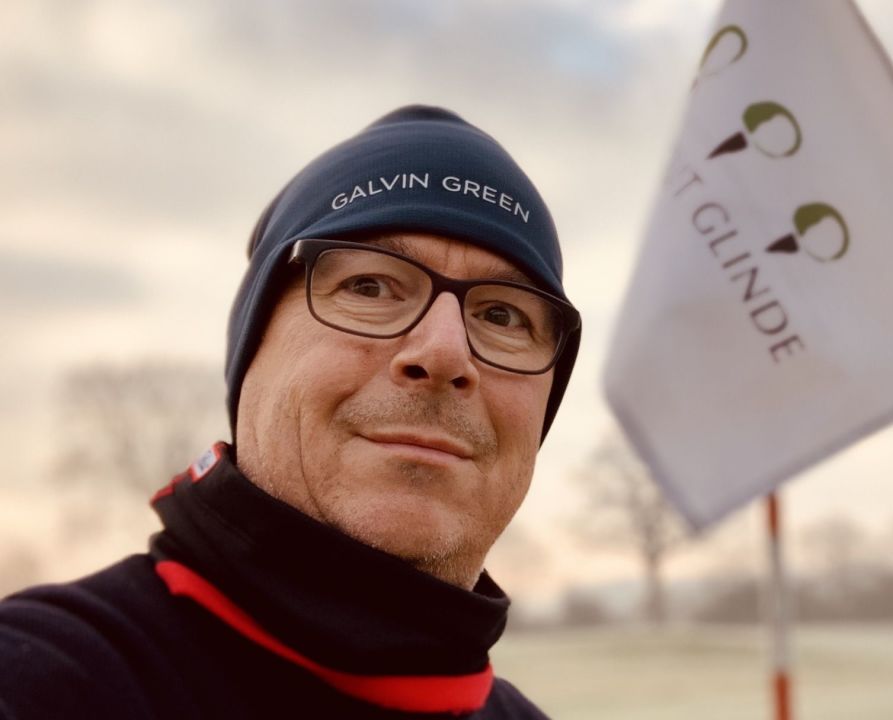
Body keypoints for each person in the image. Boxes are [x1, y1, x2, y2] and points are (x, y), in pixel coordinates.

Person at [0, 106, 580, 719]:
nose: (443, 353)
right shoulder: (42, 682)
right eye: (368, 286)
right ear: (254, 351)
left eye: (502, 316)